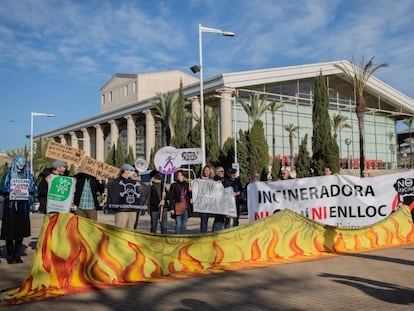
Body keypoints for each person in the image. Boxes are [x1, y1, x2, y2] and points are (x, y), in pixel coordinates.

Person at [0, 155, 35, 264]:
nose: (21, 164)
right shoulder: (8, 175)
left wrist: (31, 189)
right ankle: (10, 256)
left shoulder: (28, 176)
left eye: (23, 162)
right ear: (15, 163)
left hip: (23, 207)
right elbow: (1, 188)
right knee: (9, 231)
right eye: (19, 162)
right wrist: (7, 189)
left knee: (20, 231)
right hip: (10, 207)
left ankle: (17, 255)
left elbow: (34, 190)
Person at [106, 163, 148, 230]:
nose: (132, 172)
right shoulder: (116, 181)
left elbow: (139, 191)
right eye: (131, 170)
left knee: (131, 229)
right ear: (126, 170)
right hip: (121, 210)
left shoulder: (132, 181)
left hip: (132, 209)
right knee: (120, 228)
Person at [169, 169, 191, 234]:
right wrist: (172, 208)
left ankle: (183, 238)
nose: (179, 176)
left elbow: (190, 197)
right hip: (177, 207)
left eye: (181, 175)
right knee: (178, 223)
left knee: (184, 224)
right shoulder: (174, 185)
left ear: (183, 176)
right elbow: (171, 197)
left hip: (185, 206)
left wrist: (190, 191)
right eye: (178, 175)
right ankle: (177, 237)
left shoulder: (186, 185)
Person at [149, 169, 168, 234]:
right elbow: (150, 198)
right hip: (154, 209)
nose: (159, 176)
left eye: (159, 174)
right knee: (154, 227)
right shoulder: (150, 187)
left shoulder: (163, 185)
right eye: (157, 175)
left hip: (163, 208)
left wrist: (165, 196)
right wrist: (158, 203)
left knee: (164, 227)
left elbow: (168, 196)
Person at [199, 165, 213, 233]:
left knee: (207, 219)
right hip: (202, 203)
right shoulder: (200, 180)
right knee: (203, 220)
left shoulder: (213, 180)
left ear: (210, 171)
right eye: (205, 170)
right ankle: (203, 234)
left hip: (210, 203)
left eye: (207, 170)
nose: (206, 172)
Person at [212, 166, 226, 232]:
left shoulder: (223, 180)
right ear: (217, 172)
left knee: (222, 219)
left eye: (223, 171)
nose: (223, 172)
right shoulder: (215, 179)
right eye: (221, 171)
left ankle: (219, 232)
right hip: (218, 203)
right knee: (218, 219)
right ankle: (215, 232)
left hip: (223, 203)